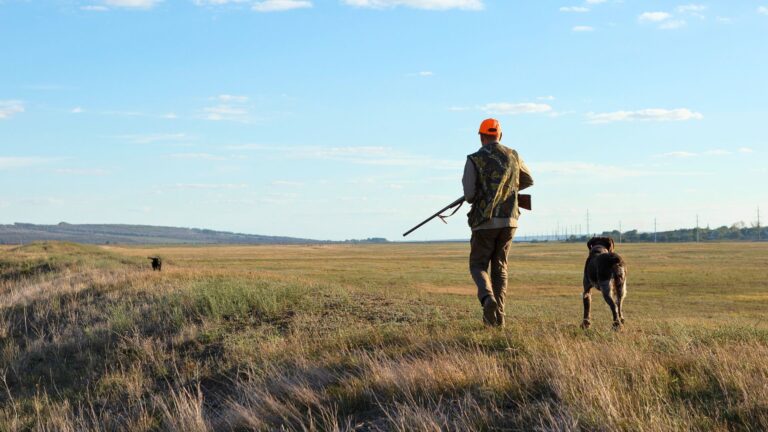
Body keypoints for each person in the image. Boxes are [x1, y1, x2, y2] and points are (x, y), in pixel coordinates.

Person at [462, 118, 534, 327]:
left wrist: (488, 190)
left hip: (484, 221)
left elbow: (469, 195)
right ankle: (498, 319)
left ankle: (487, 299)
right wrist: (506, 187)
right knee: (500, 268)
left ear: (482, 136)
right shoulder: (514, 155)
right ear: (499, 136)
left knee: (478, 265)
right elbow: (528, 179)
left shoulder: (474, 159)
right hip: (510, 220)